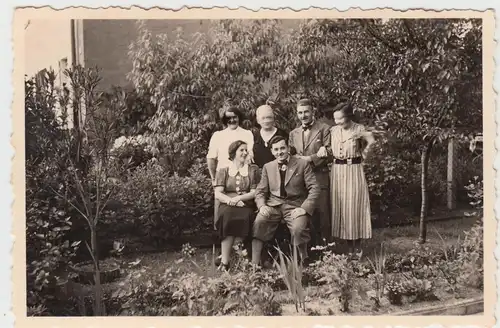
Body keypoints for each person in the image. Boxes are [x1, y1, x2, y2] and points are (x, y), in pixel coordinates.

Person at [252, 135, 320, 267]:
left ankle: (302, 260)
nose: (280, 152)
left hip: (295, 205)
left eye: (282, 148)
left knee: (298, 228)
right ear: (272, 151)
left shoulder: (302, 164)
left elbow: (314, 188)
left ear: (288, 148)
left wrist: (304, 208)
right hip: (274, 205)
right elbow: (260, 191)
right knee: (260, 221)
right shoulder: (268, 167)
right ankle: (255, 264)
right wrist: (261, 206)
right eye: (276, 149)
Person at [318, 101, 375, 254]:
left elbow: (370, 144)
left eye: (341, 119)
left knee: (354, 206)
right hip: (337, 171)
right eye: (335, 119)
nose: (338, 122)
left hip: (353, 169)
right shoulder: (333, 131)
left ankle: (357, 246)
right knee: (342, 207)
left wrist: (367, 148)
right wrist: (324, 147)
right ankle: (347, 246)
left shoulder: (359, 129)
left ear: (349, 116)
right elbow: (327, 147)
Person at [289, 98, 333, 244]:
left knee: (322, 215)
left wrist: (309, 159)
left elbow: (329, 152)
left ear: (313, 111)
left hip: (319, 177)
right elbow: (291, 155)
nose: (303, 115)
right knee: (305, 214)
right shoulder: (293, 133)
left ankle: (326, 251)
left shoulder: (324, 129)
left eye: (306, 111)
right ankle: (309, 250)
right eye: (300, 113)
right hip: (301, 180)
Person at [213, 140, 260, 271]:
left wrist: (239, 198)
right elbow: (218, 193)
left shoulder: (253, 170)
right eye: (241, 150)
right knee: (227, 215)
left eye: (246, 150)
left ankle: (231, 255)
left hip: (246, 204)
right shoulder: (224, 170)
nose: (245, 153)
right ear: (233, 153)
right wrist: (230, 201)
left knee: (244, 216)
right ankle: (226, 261)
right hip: (227, 204)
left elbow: (255, 192)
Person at [207, 106, 255, 227]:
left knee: (243, 211)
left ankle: (241, 242)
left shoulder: (247, 134)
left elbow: (249, 155)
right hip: (223, 178)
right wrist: (214, 178)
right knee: (221, 213)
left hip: (243, 178)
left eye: (235, 117)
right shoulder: (218, 135)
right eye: (228, 118)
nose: (232, 120)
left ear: (239, 118)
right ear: (224, 120)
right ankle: (221, 239)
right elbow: (211, 158)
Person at [253, 104, 289, 169]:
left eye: (269, 117)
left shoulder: (283, 135)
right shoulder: (254, 136)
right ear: (258, 120)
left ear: (273, 118)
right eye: (263, 118)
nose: (266, 121)